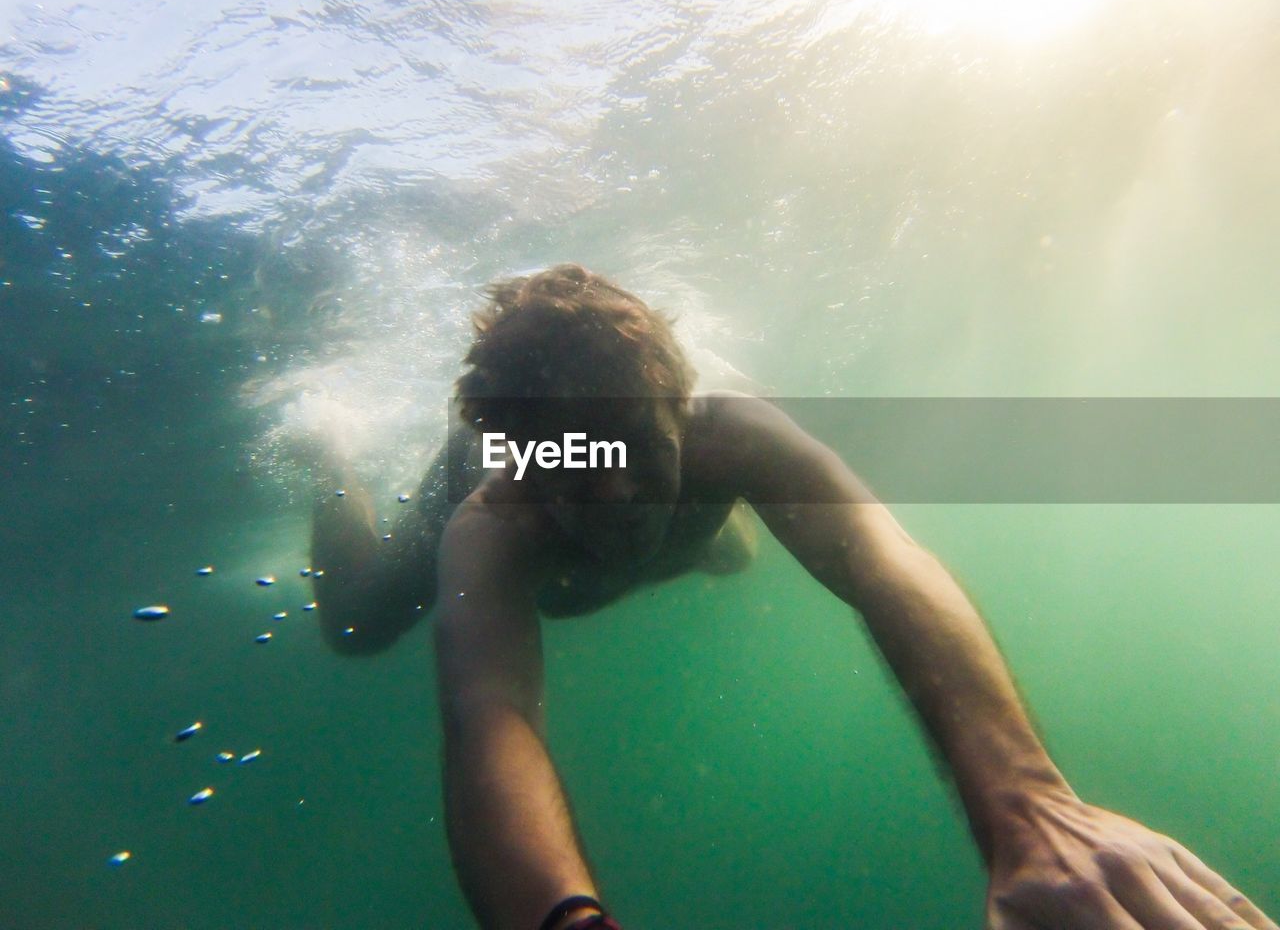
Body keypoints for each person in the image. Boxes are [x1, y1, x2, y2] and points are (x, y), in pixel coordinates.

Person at [308, 264, 1275, 930]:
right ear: (525, 462)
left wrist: (1029, 808)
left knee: (724, 551)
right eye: (574, 467)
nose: (613, 504)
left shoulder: (731, 432)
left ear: (680, 403)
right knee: (357, 621)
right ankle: (329, 449)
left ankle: (717, 537)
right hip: (522, 543)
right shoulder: (494, 512)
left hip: (693, 497)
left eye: (637, 452)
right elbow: (491, 716)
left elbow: (883, 562)